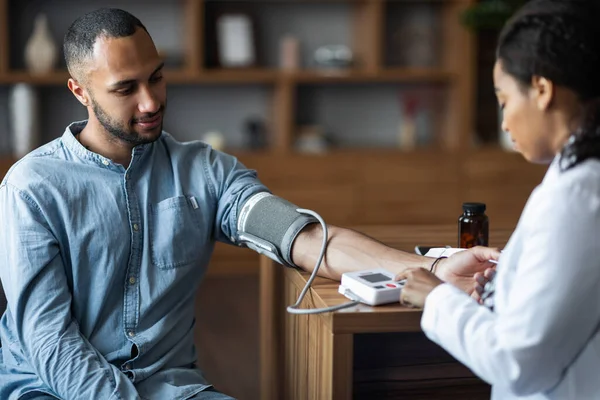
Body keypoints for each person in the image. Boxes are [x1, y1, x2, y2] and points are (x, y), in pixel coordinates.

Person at [0, 8, 496, 400]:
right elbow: (49, 343)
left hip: (173, 389)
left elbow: (303, 238)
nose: (150, 102)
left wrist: (433, 263)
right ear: (80, 91)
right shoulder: (32, 188)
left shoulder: (205, 171)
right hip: (51, 388)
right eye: (126, 89)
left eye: (157, 77)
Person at [397, 1, 600, 399]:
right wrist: (512, 281)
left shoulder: (576, 198)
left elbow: (518, 363)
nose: (504, 122)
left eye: (505, 100)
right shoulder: (579, 182)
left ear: (542, 90)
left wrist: (435, 298)